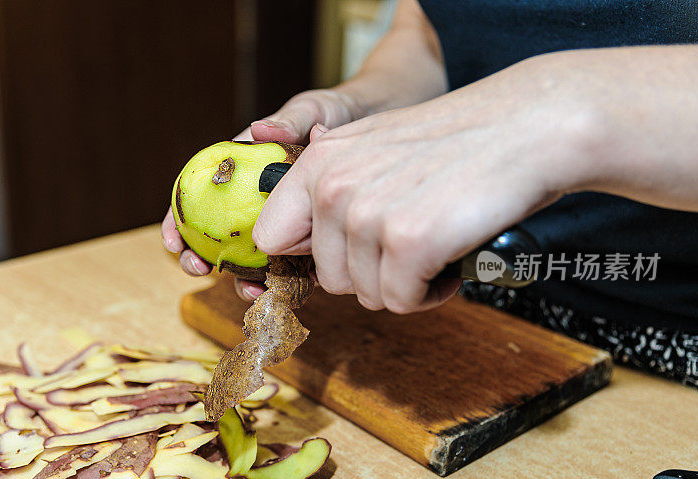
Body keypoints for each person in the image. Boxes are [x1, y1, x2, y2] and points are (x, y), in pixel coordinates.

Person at [163, 0, 698, 387]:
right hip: (477, 307)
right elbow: (430, 30)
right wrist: (360, 106)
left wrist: (556, 106)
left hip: (666, 343)